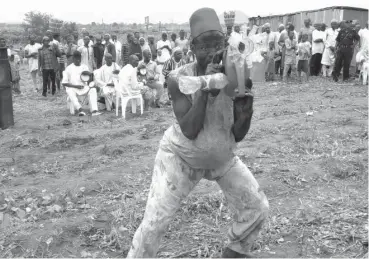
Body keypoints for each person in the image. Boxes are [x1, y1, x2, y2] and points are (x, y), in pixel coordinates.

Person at [126, 7, 268, 258]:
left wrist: (246, 110)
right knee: (154, 225)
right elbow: (190, 129)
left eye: (218, 44)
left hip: (221, 157)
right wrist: (205, 88)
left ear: (226, 45)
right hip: (181, 156)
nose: (212, 52)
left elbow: (238, 133)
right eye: (205, 46)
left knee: (256, 208)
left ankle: (233, 253)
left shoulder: (236, 76)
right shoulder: (177, 78)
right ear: (193, 48)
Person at [62, 51, 101, 116]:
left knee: (93, 90)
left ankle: (94, 110)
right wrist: (76, 86)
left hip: (83, 88)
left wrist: (91, 79)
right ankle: (80, 109)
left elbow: (88, 80)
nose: (78, 60)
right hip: (73, 88)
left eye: (79, 58)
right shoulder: (68, 68)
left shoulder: (84, 67)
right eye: (76, 58)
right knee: (69, 91)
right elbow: (64, 83)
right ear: (73, 59)